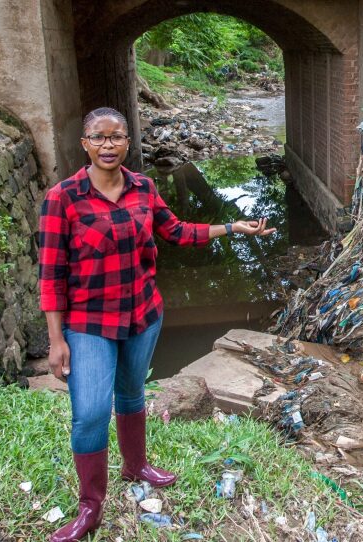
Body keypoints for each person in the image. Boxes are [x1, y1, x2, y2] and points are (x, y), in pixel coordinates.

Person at [38, 107, 275, 542]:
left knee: (131, 394)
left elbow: (178, 231)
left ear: (128, 142)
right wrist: (57, 339)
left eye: (116, 137)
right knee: (90, 412)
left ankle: (136, 465)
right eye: (99, 138)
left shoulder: (144, 188)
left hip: (143, 313)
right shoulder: (62, 197)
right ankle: (90, 506)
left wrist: (232, 227)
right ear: (85, 144)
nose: (108, 145)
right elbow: (51, 275)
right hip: (88, 322)